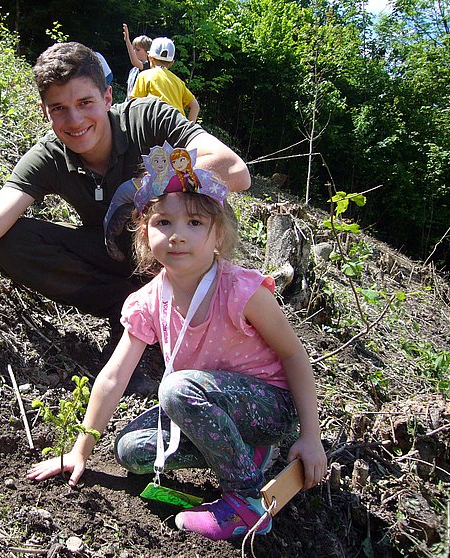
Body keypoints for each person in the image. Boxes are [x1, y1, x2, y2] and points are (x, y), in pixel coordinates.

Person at [0, 43, 250, 365]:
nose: (74, 120)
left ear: (108, 97)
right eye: (58, 108)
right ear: (45, 112)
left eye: (85, 102)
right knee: (13, 243)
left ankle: (187, 313)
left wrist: (141, 188)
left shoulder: (147, 118)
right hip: (115, 257)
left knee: (204, 202)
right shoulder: (48, 156)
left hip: (175, 251)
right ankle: (129, 310)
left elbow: (234, 171)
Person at [27, 147, 326, 541]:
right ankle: (246, 456)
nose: (177, 235)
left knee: (177, 388)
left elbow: (293, 354)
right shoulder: (147, 301)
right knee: (130, 450)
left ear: (218, 233)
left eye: (195, 222)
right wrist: (81, 449)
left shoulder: (242, 290)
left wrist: (311, 436)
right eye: (163, 221)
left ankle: (246, 500)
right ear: (144, 231)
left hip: (269, 407)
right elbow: (115, 374)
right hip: (208, 406)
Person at [131, 37, 200, 122]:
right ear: (171, 63)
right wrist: (188, 129)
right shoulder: (178, 82)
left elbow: (134, 105)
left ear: (150, 58)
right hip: (177, 126)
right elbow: (195, 106)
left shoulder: (144, 76)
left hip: (155, 125)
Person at [122, 24, 151, 99]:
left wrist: (127, 41)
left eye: (137, 50)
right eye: (133, 49)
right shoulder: (133, 70)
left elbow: (134, 61)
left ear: (147, 52)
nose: (134, 52)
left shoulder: (148, 66)